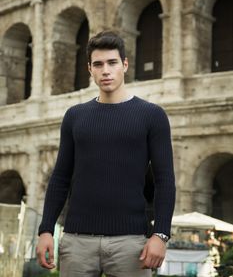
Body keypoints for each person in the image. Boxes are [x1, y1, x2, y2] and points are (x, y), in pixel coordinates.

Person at [36, 31, 176, 277]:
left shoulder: (152, 115)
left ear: (124, 65)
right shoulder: (75, 116)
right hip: (77, 242)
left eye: (112, 63)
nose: (106, 71)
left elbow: (165, 180)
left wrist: (161, 234)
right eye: (98, 64)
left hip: (131, 244)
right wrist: (46, 229)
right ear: (89, 69)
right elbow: (60, 177)